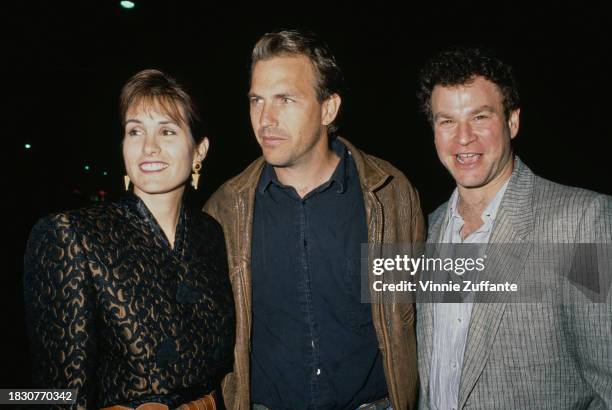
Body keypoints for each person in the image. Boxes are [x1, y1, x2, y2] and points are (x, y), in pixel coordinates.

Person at [204, 30, 425, 410]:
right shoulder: (225, 208)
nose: (265, 119)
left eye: (285, 100)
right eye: (257, 100)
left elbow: (422, 313)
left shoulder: (390, 194)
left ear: (328, 109)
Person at [23, 69, 235, 409]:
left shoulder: (211, 234)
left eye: (167, 130)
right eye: (135, 131)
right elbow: (50, 397)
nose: (149, 147)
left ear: (200, 151)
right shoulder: (71, 235)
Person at [416, 46, 612, 409]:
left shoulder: (581, 221)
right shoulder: (424, 231)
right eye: (446, 121)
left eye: (479, 117)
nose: (463, 138)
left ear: (512, 122)